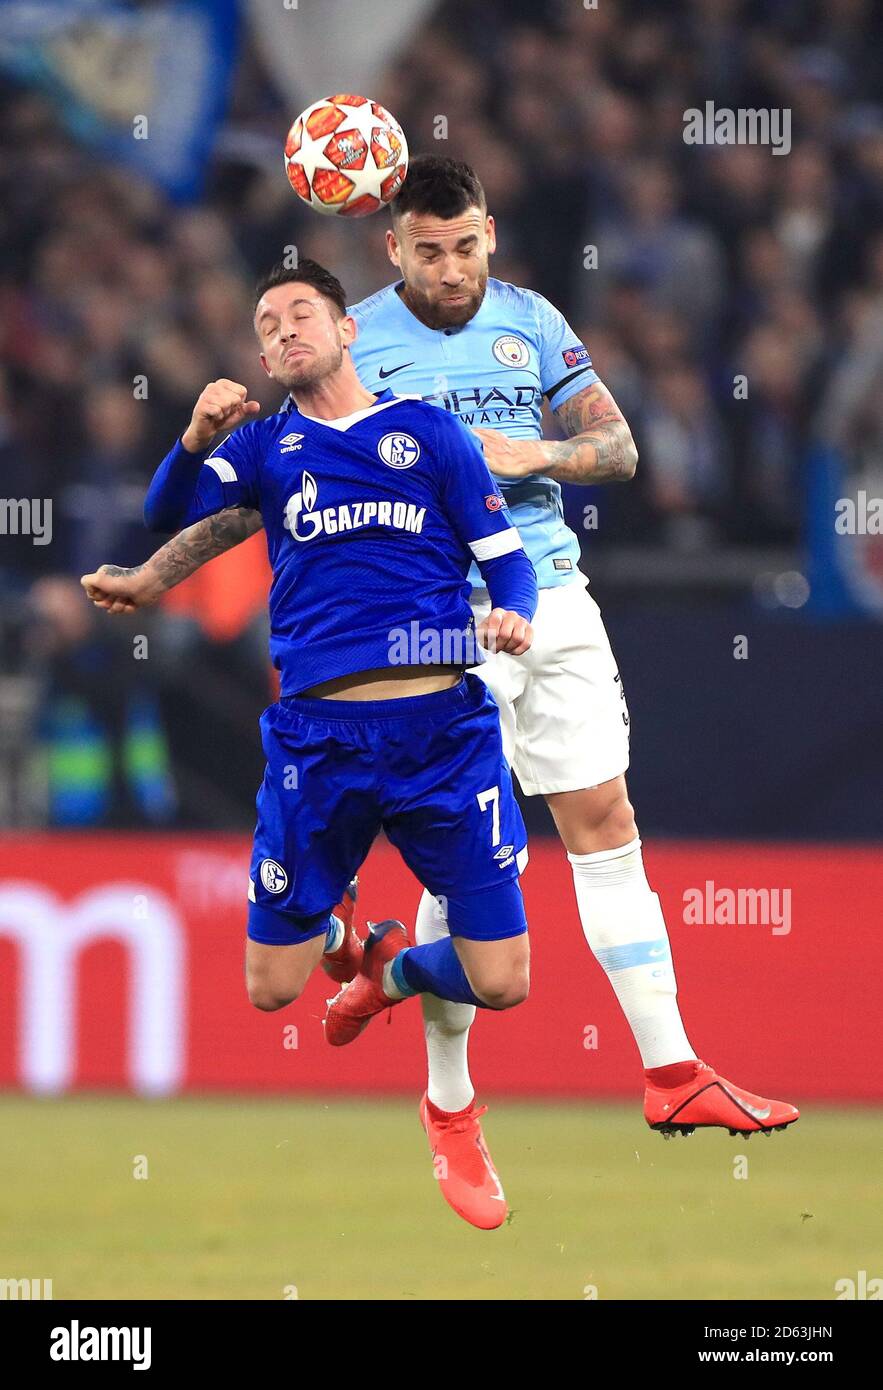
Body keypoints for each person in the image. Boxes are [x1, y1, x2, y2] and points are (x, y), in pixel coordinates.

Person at [83, 156, 799, 1234]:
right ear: (391, 250)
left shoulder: (534, 320)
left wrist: (528, 448)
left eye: (467, 248)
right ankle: (452, 1106)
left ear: (491, 237)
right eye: (429, 250)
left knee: (606, 822)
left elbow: (617, 446)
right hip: (425, 622)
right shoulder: (345, 333)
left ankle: (670, 1069)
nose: (452, 269)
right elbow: (261, 497)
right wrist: (156, 573)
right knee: (443, 873)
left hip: (544, 592)